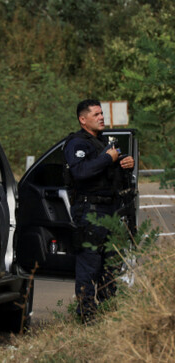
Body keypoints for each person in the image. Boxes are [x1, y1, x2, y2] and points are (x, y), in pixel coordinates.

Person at [64, 99, 135, 323]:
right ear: (83, 119)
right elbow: (80, 172)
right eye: (96, 114)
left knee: (111, 264)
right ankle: (87, 314)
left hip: (110, 209)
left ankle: (108, 310)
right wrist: (107, 158)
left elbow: (113, 178)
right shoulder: (77, 143)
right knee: (89, 264)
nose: (101, 117)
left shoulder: (104, 143)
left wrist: (124, 164)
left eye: (102, 113)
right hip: (90, 211)